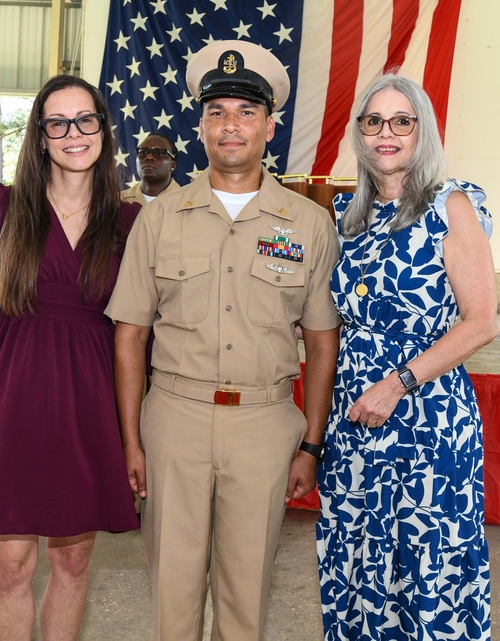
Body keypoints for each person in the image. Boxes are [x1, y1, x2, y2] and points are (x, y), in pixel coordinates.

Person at [106, 39, 342, 641]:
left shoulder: (309, 223)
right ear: (201, 126)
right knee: (173, 595)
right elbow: (130, 334)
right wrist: (132, 440)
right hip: (174, 421)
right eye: (217, 113)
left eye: (244, 113)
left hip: (264, 426)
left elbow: (321, 341)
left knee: (245, 601)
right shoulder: (159, 217)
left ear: (268, 125)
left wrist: (310, 445)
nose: (230, 126)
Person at [0, 75, 141, 640]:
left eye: (86, 120)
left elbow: (139, 335)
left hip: (88, 407)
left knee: (73, 563)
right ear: (41, 136)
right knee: (11, 565)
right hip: (10, 403)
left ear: (103, 128)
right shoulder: (4, 207)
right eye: (58, 123)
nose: (74, 134)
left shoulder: (129, 222)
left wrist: (133, 435)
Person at [316, 73, 497, 640]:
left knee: (429, 568)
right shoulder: (347, 218)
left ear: (424, 131)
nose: (386, 134)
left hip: (428, 421)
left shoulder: (451, 206)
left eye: (402, 121)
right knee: (359, 564)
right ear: (359, 135)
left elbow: (483, 322)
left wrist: (397, 384)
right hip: (355, 422)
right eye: (373, 122)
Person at [121, 132, 182, 205]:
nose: (149, 157)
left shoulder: (186, 201)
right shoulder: (118, 201)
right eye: (143, 152)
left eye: (159, 153)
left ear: (173, 165)